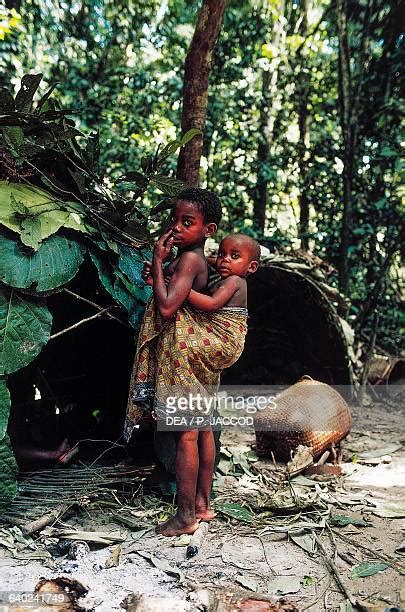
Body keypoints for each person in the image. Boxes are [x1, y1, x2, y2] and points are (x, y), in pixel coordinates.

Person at [124, 189, 257, 536]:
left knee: (186, 434)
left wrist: (157, 260)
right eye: (175, 220)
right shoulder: (198, 261)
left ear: (207, 229)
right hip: (202, 353)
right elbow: (172, 290)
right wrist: (159, 275)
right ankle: (202, 503)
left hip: (187, 350)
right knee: (202, 429)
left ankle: (185, 516)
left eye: (188, 222)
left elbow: (168, 306)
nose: (177, 228)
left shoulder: (190, 261)